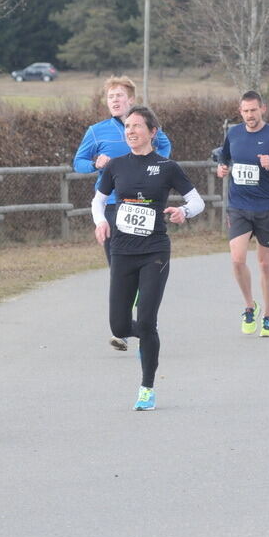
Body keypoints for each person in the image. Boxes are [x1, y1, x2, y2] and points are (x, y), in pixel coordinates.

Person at [91, 105, 204, 410]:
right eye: (127, 126)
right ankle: (145, 333)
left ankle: (146, 387)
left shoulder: (167, 166)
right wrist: (100, 222)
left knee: (146, 319)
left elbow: (197, 201)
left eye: (137, 126)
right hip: (122, 250)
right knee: (118, 325)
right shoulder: (115, 166)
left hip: (154, 251)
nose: (130, 131)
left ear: (153, 132)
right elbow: (98, 201)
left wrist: (184, 212)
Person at [73, 76, 171, 352]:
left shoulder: (148, 128)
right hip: (112, 206)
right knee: (118, 267)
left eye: (119, 96)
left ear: (131, 100)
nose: (114, 101)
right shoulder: (96, 131)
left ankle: (141, 319)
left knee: (142, 265)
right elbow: (77, 163)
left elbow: (165, 151)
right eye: (110, 97)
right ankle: (126, 326)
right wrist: (95, 162)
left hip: (143, 205)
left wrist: (148, 166)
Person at [216, 91, 269, 337]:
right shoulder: (233, 133)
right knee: (237, 259)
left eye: (254, 110)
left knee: (265, 264)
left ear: (262, 109)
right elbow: (224, 157)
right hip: (238, 206)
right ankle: (249, 306)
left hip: (265, 208)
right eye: (245, 111)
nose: (250, 115)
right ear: (240, 111)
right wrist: (221, 168)